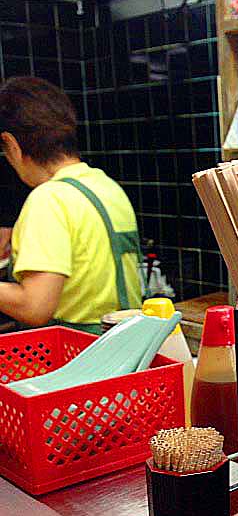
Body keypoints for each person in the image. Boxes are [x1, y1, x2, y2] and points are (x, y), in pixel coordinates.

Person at [0, 76, 142, 334]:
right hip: (125, 346)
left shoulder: (48, 199)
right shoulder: (107, 187)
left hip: (77, 358)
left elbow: (35, 307)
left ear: (12, 144)